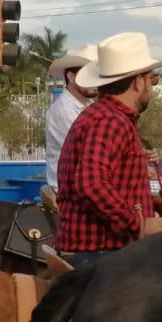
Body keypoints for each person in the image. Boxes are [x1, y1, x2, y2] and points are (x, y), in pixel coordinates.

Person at [54, 32, 162, 268]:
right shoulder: (111, 121)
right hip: (101, 253)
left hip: (95, 251)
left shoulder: (103, 116)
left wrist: (155, 203)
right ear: (138, 81)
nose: (151, 87)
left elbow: (112, 185)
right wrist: (139, 225)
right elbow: (91, 184)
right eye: (152, 79)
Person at [42, 43, 98, 208]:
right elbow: (86, 150)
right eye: (89, 75)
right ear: (72, 77)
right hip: (70, 190)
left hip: (84, 186)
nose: (95, 81)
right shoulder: (63, 110)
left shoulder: (90, 105)